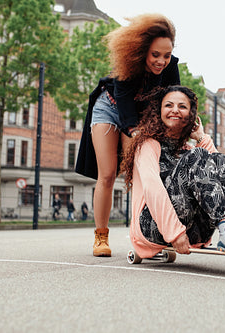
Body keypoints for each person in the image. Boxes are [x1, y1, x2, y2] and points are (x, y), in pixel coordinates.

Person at [120, 86, 225, 258]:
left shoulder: (188, 148)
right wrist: (174, 233)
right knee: (197, 155)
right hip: (153, 227)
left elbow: (219, 171)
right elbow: (153, 190)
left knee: (221, 160)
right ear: (158, 111)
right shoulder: (148, 145)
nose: (175, 110)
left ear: (190, 114)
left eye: (182, 106)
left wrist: (202, 138)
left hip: (194, 229)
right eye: (169, 105)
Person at [75, 13, 180, 257]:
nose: (161, 61)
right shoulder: (127, 65)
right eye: (155, 55)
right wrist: (135, 132)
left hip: (140, 113)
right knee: (109, 173)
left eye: (166, 55)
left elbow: (176, 97)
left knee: (142, 173)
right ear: (142, 50)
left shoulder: (171, 67)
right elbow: (124, 108)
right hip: (110, 107)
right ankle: (101, 236)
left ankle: (151, 236)